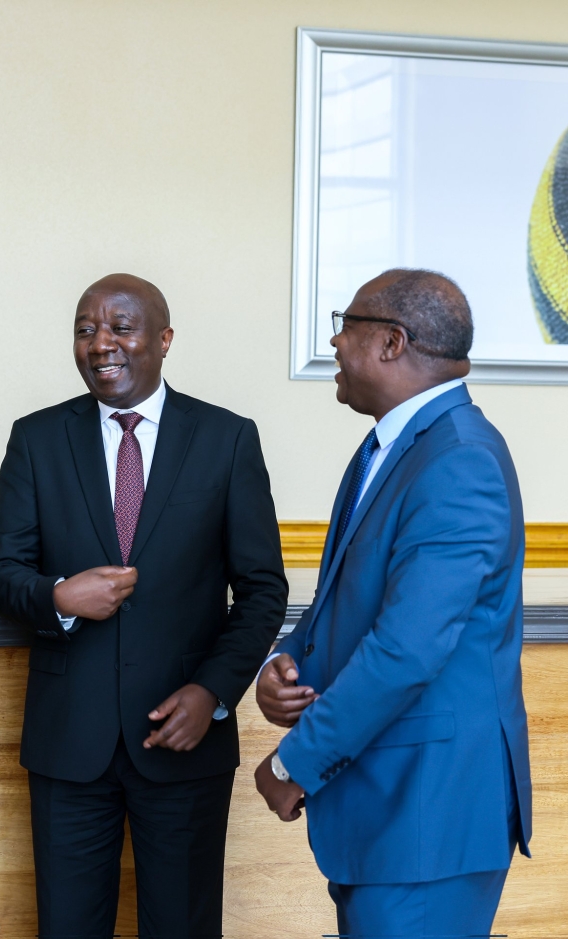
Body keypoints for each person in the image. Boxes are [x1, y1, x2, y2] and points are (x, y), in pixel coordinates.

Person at [0, 273, 288, 939]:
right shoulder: (36, 438)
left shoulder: (227, 439)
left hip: (184, 739)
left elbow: (263, 591)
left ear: (165, 339)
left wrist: (212, 691)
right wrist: (55, 597)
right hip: (68, 742)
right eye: (85, 329)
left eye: (120, 326)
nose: (101, 343)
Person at [254, 270, 532, 938]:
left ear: (389, 341)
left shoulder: (458, 460)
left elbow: (408, 649)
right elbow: (347, 597)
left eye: (343, 324)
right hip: (392, 813)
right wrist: (285, 663)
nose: (333, 341)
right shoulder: (392, 445)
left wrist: (296, 760)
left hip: (428, 814)